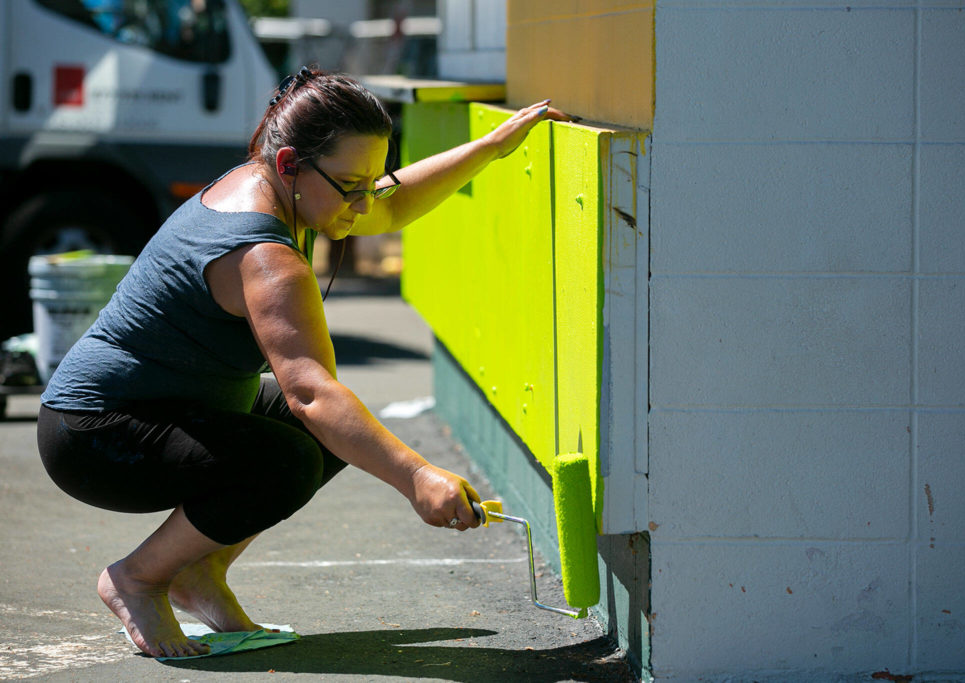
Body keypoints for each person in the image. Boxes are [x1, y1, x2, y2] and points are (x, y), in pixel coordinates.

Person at [36, 67, 571, 658]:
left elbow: (393, 205)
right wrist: (418, 477)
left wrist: (492, 148)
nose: (366, 203)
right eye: (352, 186)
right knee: (293, 449)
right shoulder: (263, 253)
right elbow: (310, 392)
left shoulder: (284, 186)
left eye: (371, 181)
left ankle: (198, 573)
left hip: (169, 404)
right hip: (96, 433)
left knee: (328, 437)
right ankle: (138, 577)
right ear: (291, 162)